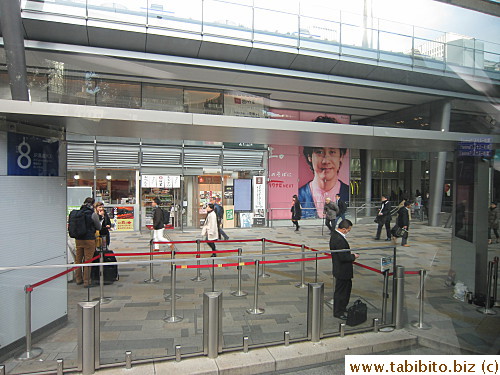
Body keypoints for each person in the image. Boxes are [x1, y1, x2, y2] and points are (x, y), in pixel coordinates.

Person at [298, 146, 349, 219]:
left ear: (341, 157)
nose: (326, 161)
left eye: (332, 152)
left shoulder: (349, 194)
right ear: (310, 157)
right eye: (319, 152)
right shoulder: (300, 195)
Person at [330, 219, 359, 320]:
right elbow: (343, 257)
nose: (348, 232)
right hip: (342, 269)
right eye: (348, 230)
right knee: (341, 292)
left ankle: (342, 308)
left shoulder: (335, 235)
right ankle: (338, 311)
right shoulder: (338, 239)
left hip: (341, 269)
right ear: (344, 229)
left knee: (345, 290)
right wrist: (353, 256)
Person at [74, 197, 101, 288]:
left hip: (78, 239)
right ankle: (87, 281)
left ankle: (78, 279)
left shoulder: (78, 213)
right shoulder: (92, 214)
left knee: (78, 260)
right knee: (88, 260)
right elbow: (99, 227)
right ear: (92, 204)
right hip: (89, 239)